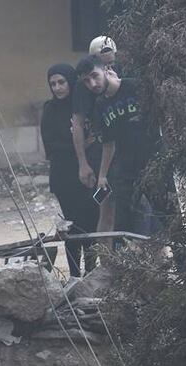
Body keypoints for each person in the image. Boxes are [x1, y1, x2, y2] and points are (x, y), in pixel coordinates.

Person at [77, 54, 154, 235]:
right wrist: (103, 175)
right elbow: (108, 143)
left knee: (169, 215)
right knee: (122, 226)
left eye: (94, 76)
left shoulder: (135, 86)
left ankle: (183, 263)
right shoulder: (101, 105)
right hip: (127, 169)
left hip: (154, 162)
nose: (93, 84)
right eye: (86, 81)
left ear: (105, 70)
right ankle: (124, 263)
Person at [41, 63, 99, 277]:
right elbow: (50, 146)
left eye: (61, 82)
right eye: (53, 83)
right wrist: (81, 144)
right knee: (73, 228)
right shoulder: (50, 109)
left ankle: (91, 273)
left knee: (92, 224)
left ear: (71, 82)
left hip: (90, 176)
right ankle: (75, 275)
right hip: (64, 177)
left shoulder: (84, 106)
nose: (57, 88)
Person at [70, 36, 120, 233]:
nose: (93, 82)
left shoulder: (124, 81)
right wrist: (82, 163)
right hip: (98, 152)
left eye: (111, 61)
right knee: (106, 209)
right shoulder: (83, 87)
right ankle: (107, 261)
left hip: (125, 153)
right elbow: (78, 124)